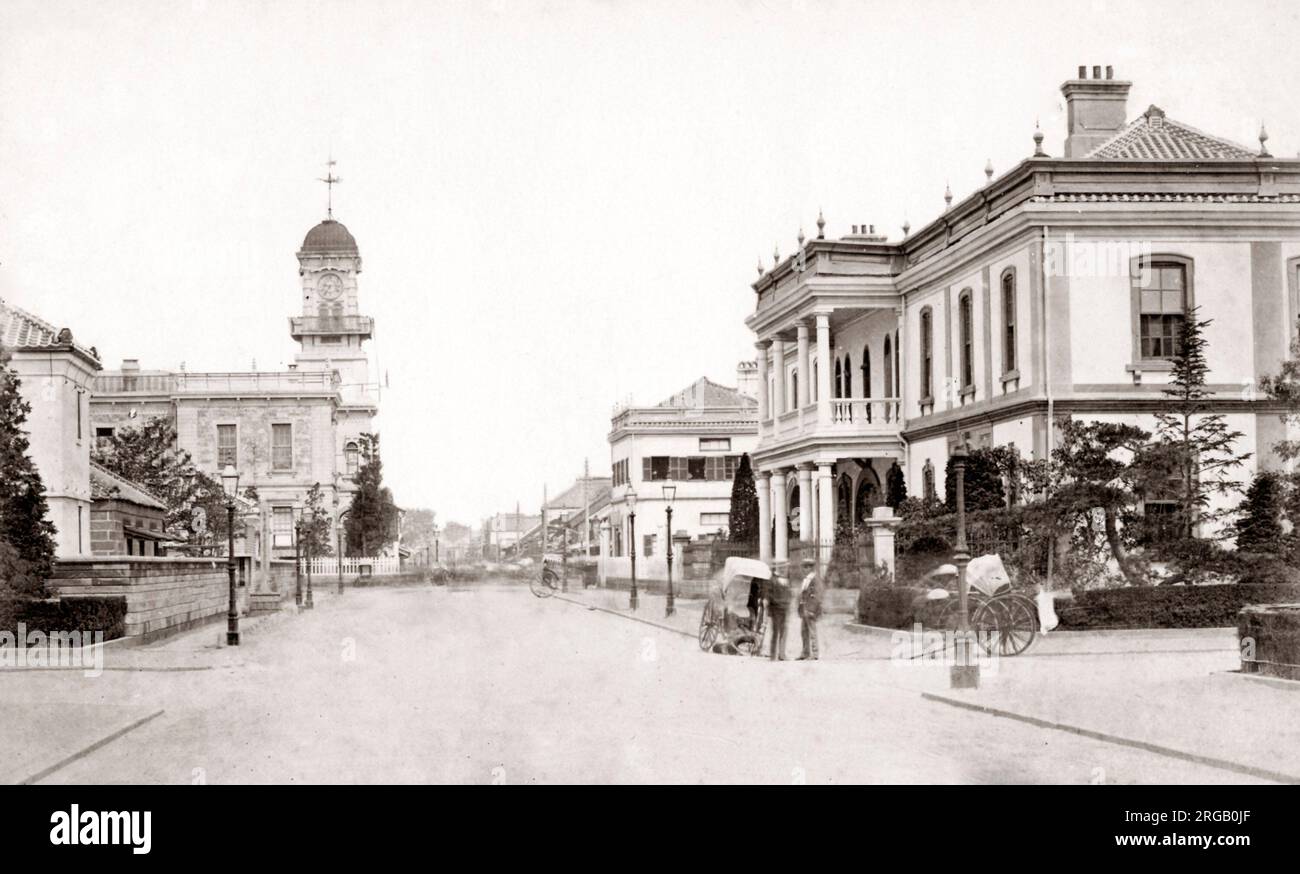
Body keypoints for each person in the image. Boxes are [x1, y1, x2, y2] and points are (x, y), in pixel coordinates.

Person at [797, 558, 822, 660]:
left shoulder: (815, 580)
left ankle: (815, 653)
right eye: (804, 567)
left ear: (810, 568)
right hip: (804, 608)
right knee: (803, 631)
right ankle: (805, 652)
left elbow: (817, 596)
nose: (803, 569)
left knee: (812, 632)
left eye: (806, 567)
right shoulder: (806, 579)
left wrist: (812, 609)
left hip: (810, 609)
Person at [767, 562, 792, 661]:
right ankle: (773, 655)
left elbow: (789, 595)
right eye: (782, 568)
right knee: (775, 633)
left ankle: (782, 654)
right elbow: (770, 596)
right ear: (778, 568)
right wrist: (779, 602)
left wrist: (788, 604)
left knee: (784, 632)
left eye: (785, 568)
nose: (784, 570)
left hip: (785, 609)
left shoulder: (787, 581)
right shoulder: (772, 580)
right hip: (776, 610)